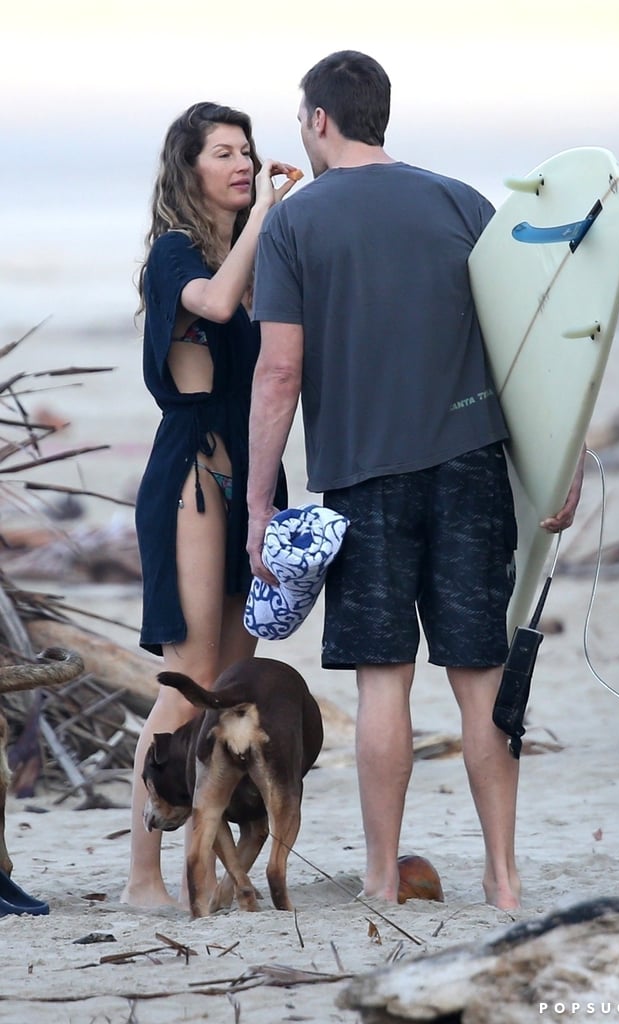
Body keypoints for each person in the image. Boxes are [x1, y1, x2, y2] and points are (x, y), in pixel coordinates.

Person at [245, 52, 584, 911]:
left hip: (366, 479)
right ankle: (504, 881)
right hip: (472, 465)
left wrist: (260, 500)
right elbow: (532, 338)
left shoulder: (295, 224)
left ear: (320, 120)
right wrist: (566, 452)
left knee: (383, 680)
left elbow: (279, 373)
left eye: (300, 122)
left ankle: (377, 877)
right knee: (481, 680)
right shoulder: (461, 201)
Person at [121, 102, 295, 907]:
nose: (241, 162)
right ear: (188, 168)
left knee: (235, 682)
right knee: (188, 674)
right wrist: (265, 210)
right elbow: (215, 306)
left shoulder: (253, 254)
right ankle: (142, 877)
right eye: (223, 152)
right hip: (191, 469)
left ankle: (211, 863)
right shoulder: (175, 252)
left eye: (248, 152)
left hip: (251, 473)